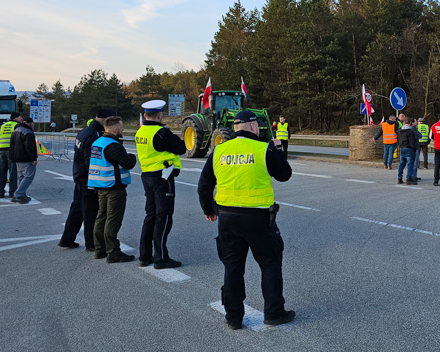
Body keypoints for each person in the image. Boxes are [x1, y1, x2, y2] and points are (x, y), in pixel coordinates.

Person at [197, 110, 295, 330]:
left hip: (227, 218)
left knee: (232, 267)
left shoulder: (219, 150)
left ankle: (233, 317)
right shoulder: (263, 148)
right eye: (258, 125)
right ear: (252, 126)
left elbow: (204, 185)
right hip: (258, 218)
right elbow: (284, 174)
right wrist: (278, 150)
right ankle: (274, 313)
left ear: (235, 128)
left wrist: (208, 208)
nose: (259, 128)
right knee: (269, 264)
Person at [136, 99, 187, 269]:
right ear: (160, 115)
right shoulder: (161, 133)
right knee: (163, 217)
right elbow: (181, 148)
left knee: (150, 216)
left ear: (145, 115)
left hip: (147, 176)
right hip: (163, 177)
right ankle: (161, 258)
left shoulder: (141, 132)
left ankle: (144, 255)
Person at [59, 109, 113, 250]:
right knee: (91, 211)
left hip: (79, 176)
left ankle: (67, 239)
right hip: (88, 178)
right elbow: (91, 160)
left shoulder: (84, 131)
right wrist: (96, 179)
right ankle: (92, 243)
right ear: (104, 119)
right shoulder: (94, 135)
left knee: (77, 210)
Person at [89, 116, 137, 262]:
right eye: (121, 127)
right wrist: (132, 156)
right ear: (115, 129)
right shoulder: (113, 145)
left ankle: (100, 249)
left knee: (101, 217)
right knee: (113, 219)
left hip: (101, 185)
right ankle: (113, 252)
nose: (123, 129)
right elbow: (128, 163)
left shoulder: (98, 142)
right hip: (114, 188)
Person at [0, 112, 23, 199]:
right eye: (20, 117)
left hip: (1, 151)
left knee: (1, 172)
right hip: (11, 151)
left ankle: (0, 192)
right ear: (15, 118)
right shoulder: (16, 126)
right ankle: (12, 192)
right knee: (13, 172)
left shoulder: (2, 126)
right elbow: (20, 139)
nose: (21, 118)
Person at [9, 117, 37, 203]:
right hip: (26, 158)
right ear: (30, 123)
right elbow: (30, 147)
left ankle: (21, 193)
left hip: (16, 157)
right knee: (29, 176)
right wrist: (34, 158)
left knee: (20, 176)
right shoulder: (28, 132)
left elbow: (11, 145)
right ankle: (19, 194)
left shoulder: (15, 130)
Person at [396, 116, 418, 185]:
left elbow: (397, 140)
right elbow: (412, 142)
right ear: (410, 123)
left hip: (402, 148)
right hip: (409, 148)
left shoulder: (399, 130)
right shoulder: (410, 131)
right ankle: (408, 179)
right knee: (410, 164)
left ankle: (399, 178)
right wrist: (414, 149)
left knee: (402, 164)